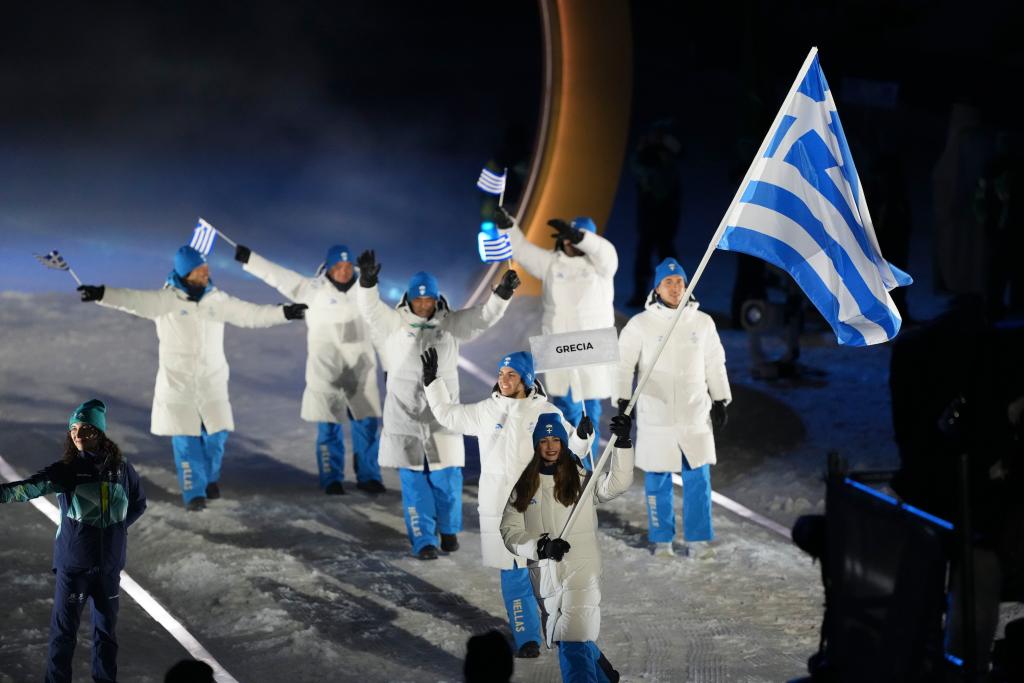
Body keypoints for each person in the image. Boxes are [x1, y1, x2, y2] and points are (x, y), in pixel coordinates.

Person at [77, 245, 306, 510]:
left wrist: (284, 312)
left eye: (207, 269)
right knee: (186, 440)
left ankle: (209, 478)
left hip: (212, 382)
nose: (206, 274)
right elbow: (133, 299)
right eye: (200, 270)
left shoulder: (217, 300)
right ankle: (194, 492)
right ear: (186, 273)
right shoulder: (166, 300)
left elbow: (250, 314)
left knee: (216, 436)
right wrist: (101, 293)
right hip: (179, 384)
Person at [424, 349, 592, 657]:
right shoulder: (487, 410)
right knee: (513, 571)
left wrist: (583, 436)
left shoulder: (546, 412)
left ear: (526, 379)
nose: (503, 380)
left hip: (540, 503)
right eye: (501, 374)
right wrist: (432, 383)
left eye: (511, 375)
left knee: (547, 570)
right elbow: (449, 415)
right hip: (500, 507)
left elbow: (573, 450)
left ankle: (559, 624)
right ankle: (527, 637)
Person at [355, 249, 517, 559]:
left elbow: (483, 317)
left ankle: (448, 529)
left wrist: (502, 295)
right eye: (418, 299)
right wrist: (367, 283)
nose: (423, 304)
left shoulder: (450, 323)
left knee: (447, 477)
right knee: (414, 481)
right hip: (405, 416)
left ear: (436, 298)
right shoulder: (394, 322)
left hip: (442, 414)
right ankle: (424, 539)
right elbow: (370, 309)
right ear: (409, 299)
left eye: (428, 299)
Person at [0, 399, 147, 683]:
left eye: (85, 429)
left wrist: (116, 531)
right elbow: (26, 489)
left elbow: (138, 503)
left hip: (108, 568)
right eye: (73, 429)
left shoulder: (122, 468)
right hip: (74, 567)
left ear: (99, 432)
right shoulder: (66, 469)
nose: (78, 435)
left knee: (106, 636)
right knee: (64, 635)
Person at [234, 242, 385, 495]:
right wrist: (251, 259)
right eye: (338, 266)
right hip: (327, 372)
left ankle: (369, 476)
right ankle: (331, 478)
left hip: (360, 371)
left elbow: (382, 321)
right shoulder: (312, 290)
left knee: (367, 425)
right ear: (328, 268)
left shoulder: (365, 290)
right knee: (329, 427)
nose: (344, 271)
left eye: (348, 266)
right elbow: (279, 276)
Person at [500, 412, 634, 682]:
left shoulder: (582, 479)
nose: (550, 446)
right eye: (544, 441)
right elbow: (509, 531)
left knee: (572, 642)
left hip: (581, 572)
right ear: (537, 445)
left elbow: (617, 484)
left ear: (563, 443)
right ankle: (604, 675)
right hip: (545, 577)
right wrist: (541, 547)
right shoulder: (524, 486)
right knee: (566, 636)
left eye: (556, 440)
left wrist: (622, 443)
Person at [616, 257, 731, 557]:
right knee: (657, 478)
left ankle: (698, 541)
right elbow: (624, 365)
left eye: (680, 282)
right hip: (657, 415)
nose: (676, 287)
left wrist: (720, 398)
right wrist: (622, 401)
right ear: (657, 287)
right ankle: (662, 539)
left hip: (694, 413)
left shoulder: (702, 323)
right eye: (668, 282)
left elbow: (715, 363)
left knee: (698, 479)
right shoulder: (640, 325)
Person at [495, 208, 617, 464]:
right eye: (568, 237)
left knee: (589, 412)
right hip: (559, 346)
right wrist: (507, 226)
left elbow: (606, 252)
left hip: (591, 347)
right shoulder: (551, 263)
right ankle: (564, 469)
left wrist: (580, 237)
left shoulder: (602, 266)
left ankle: (585, 469)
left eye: (576, 238)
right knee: (563, 410)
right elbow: (522, 250)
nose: (570, 242)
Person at [628, 120, 683, 308]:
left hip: (666, 214)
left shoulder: (670, 150)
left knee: (666, 255)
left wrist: (667, 144)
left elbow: (681, 155)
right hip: (649, 213)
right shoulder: (645, 152)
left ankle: (674, 294)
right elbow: (636, 165)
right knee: (644, 254)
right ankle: (639, 293)